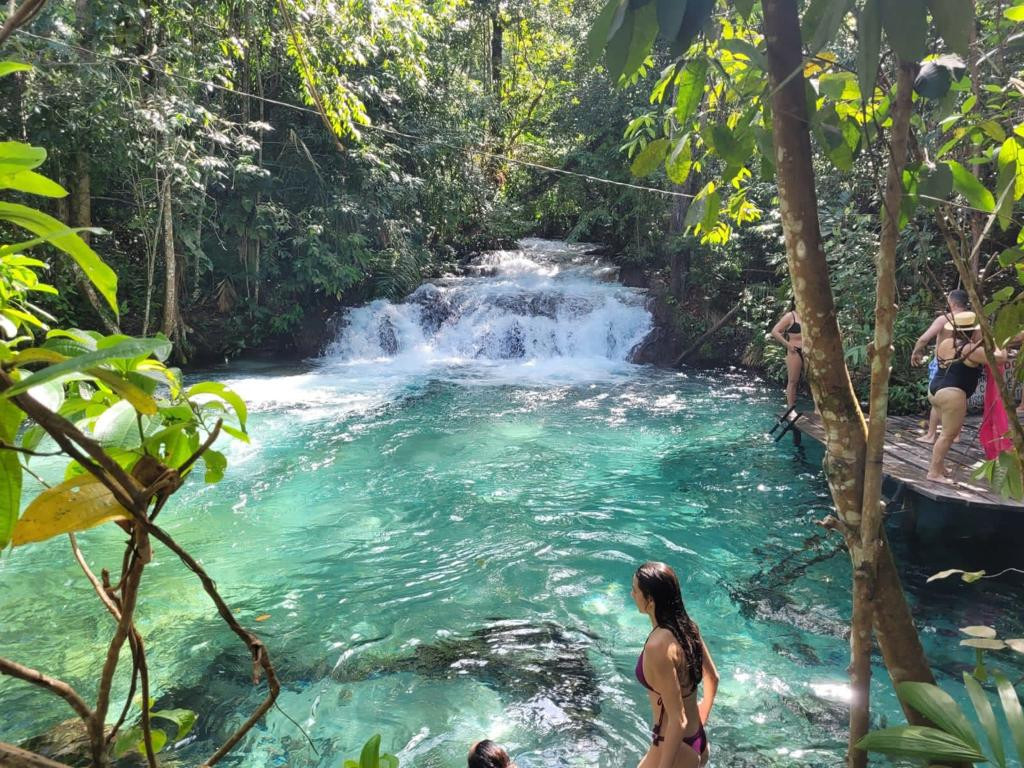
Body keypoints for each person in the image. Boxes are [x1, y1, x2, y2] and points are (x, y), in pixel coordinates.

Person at [631, 562, 719, 768]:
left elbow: (678, 721)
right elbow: (713, 678)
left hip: (673, 747)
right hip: (697, 740)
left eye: (635, 590)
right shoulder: (688, 628)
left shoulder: (657, 646)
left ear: (650, 601)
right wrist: (702, 719)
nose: (631, 594)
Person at [927, 311, 1005, 482]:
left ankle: (939, 466)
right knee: (948, 435)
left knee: (944, 434)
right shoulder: (969, 349)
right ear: (974, 331)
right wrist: (996, 340)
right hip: (952, 394)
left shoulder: (947, 342)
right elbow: (1000, 358)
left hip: (934, 390)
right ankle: (934, 472)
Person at [910, 289, 970, 443]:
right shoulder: (973, 319)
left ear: (951, 302)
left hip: (944, 363)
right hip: (966, 362)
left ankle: (931, 435)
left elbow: (924, 338)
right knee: (959, 398)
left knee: (937, 399)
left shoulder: (944, 319)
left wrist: (916, 351)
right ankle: (955, 435)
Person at [770, 303, 804, 408]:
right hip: (795, 351)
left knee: (816, 381)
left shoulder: (811, 315)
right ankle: (791, 408)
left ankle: (817, 409)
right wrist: (788, 345)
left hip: (810, 352)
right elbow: (775, 331)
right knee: (793, 381)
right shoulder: (791, 315)